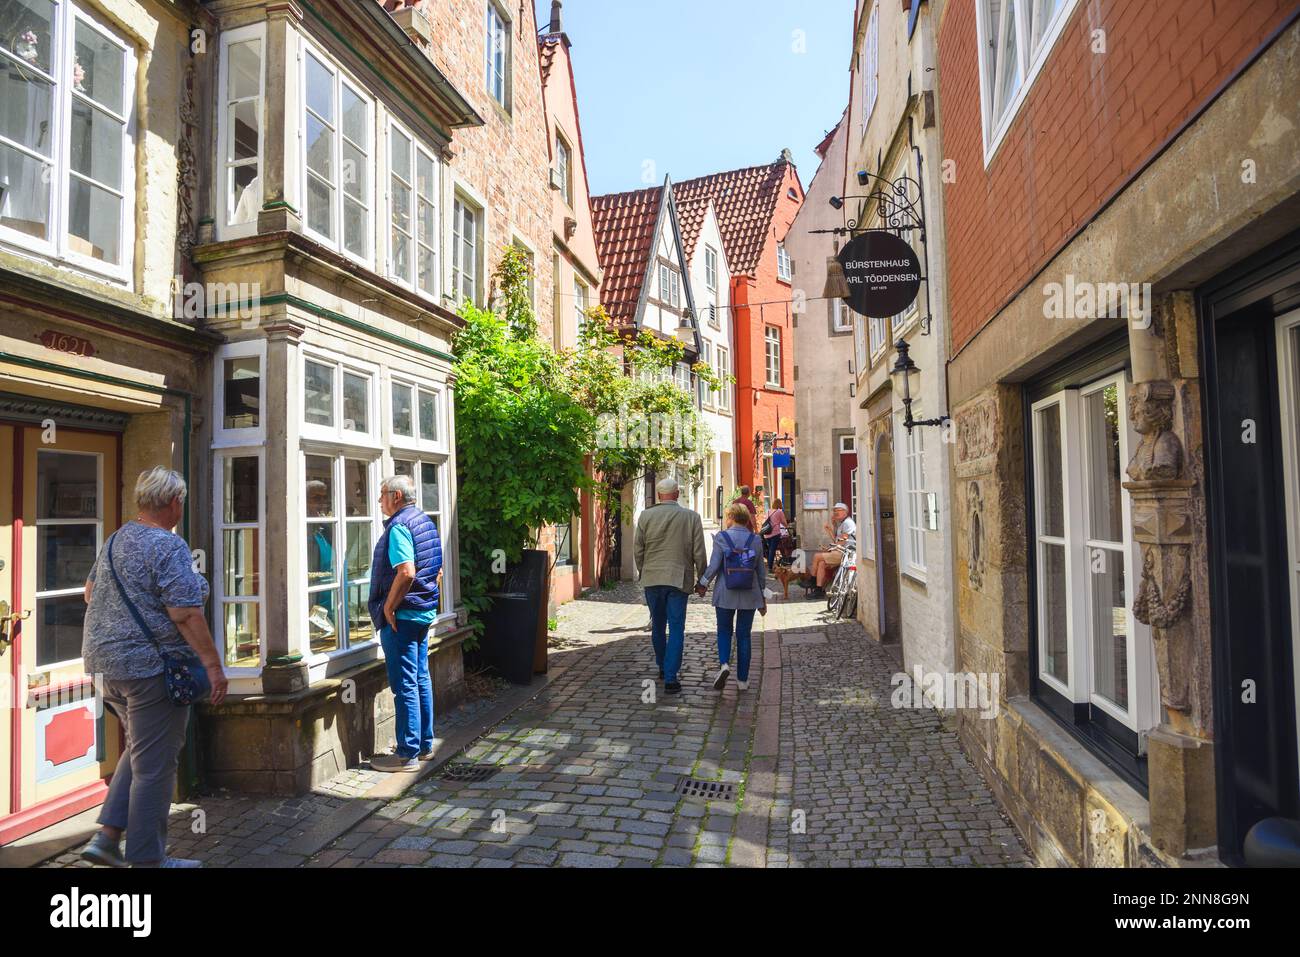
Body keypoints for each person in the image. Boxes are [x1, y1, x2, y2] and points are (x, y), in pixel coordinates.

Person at [79, 467, 228, 869]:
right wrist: (213, 666)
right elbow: (185, 613)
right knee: (156, 767)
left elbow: (90, 592)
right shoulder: (168, 545)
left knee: (141, 751)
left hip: (106, 666)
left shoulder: (116, 539)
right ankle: (148, 860)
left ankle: (107, 838)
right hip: (151, 671)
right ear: (175, 502)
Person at [367, 475, 442, 771]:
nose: (379, 500)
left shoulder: (399, 526)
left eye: (382, 494)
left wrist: (389, 606)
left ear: (396, 496)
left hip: (403, 617)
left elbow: (407, 572)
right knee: (421, 677)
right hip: (423, 613)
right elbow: (436, 570)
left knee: (405, 685)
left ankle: (408, 754)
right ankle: (424, 746)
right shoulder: (424, 520)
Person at [635, 477, 708, 694]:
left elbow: (638, 549)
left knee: (658, 625)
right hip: (678, 579)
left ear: (659, 496)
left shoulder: (646, 516)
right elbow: (699, 552)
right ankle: (671, 677)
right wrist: (702, 579)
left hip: (652, 578)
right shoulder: (691, 517)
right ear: (676, 494)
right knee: (676, 627)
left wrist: (643, 570)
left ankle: (661, 666)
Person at [697, 503, 768, 692]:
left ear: (730, 518)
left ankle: (724, 664)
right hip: (749, 593)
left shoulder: (722, 537)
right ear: (746, 520)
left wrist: (702, 583)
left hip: (725, 593)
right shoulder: (755, 540)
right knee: (744, 635)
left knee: (724, 630)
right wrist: (763, 596)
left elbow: (713, 566)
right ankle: (743, 680)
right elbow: (761, 571)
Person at [810, 503, 857, 597]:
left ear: (845, 512)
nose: (835, 513)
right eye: (834, 511)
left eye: (838, 510)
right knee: (821, 563)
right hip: (841, 552)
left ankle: (811, 581)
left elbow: (842, 541)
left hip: (846, 554)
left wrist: (831, 548)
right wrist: (830, 530)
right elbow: (837, 541)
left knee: (817, 556)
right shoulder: (842, 524)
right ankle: (819, 590)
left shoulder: (848, 523)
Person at [762, 498, 788, 571]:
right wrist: (786, 526)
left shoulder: (768, 511)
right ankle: (770, 567)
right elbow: (784, 523)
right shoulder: (779, 512)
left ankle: (771, 565)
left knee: (770, 549)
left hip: (767, 533)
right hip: (775, 533)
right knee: (772, 550)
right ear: (779, 504)